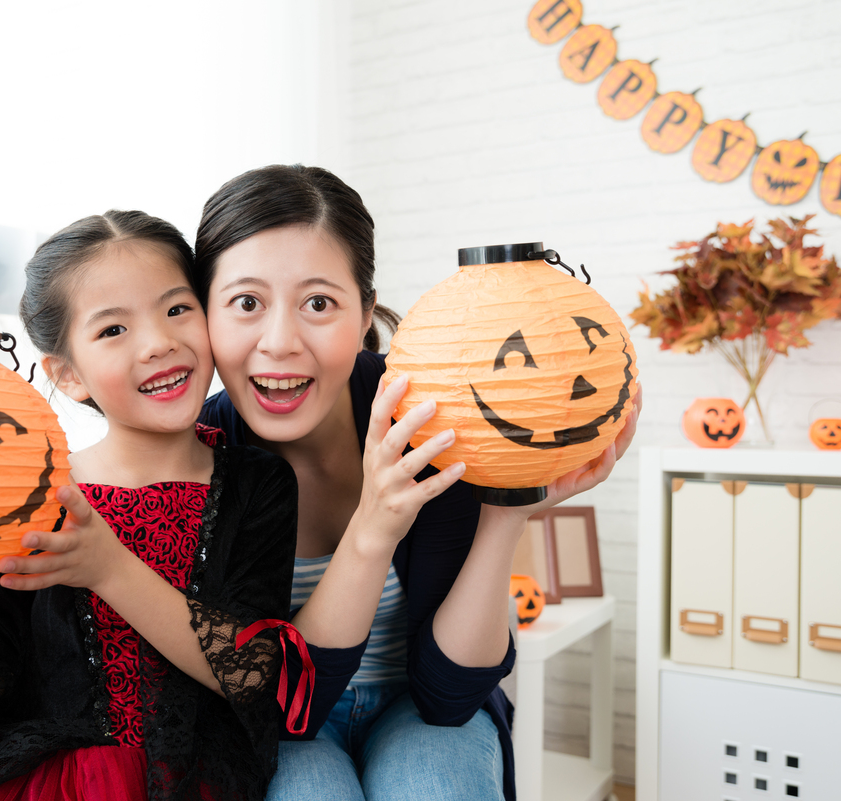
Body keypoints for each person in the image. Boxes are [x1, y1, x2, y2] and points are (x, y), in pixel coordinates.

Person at [194, 164, 641, 801]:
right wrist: (373, 529)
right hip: (281, 715)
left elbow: (449, 695)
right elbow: (285, 709)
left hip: (419, 705)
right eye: (246, 303)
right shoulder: (200, 459)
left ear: (364, 311)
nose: (280, 342)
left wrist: (509, 508)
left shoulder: (443, 411)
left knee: (433, 783)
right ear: (204, 315)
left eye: (319, 303)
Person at [0, 210, 307, 801]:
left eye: (177, 309)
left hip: (195, 778)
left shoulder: (259, 483)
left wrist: (108, 568)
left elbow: (252, 674)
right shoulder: (28, 493)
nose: (158, 342)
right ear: (68, 374)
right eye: (113, 330)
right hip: (50, 778)